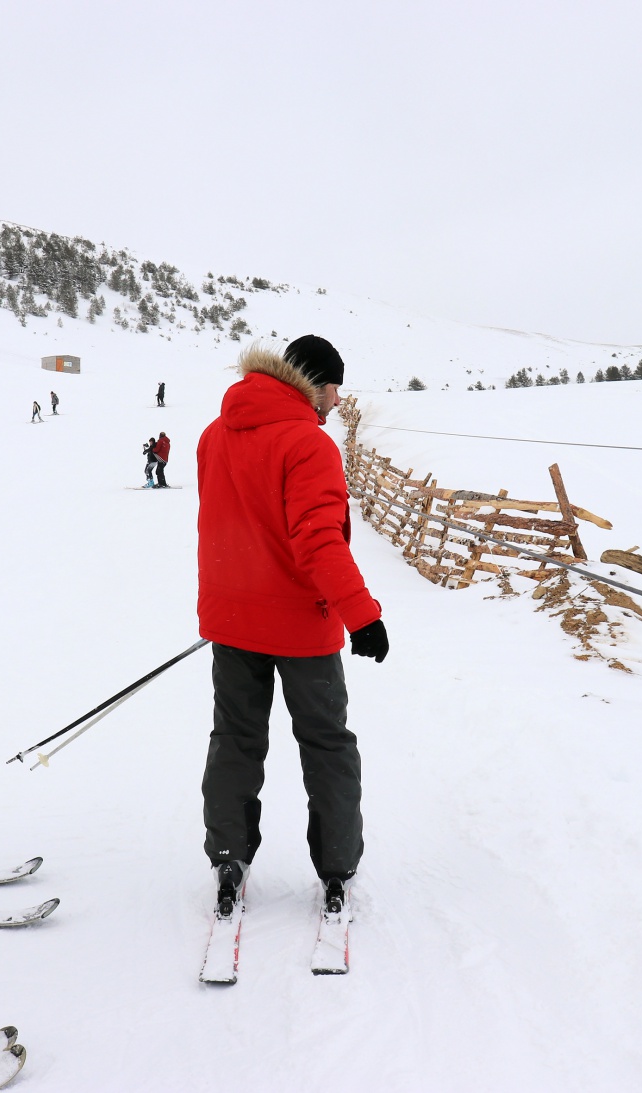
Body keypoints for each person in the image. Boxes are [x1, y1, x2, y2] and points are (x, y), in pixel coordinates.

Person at [195, 335, 389, 922]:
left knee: (235, 739)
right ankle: (337, 868)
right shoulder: (308, 443)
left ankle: (228, 856)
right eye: (335, 386)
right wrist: (363, 615)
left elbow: (223, 522)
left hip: (233, 620)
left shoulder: (214, 433)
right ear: (315, 383)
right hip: (302, 628)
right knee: (327, 744)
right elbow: (318, 540)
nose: (338, 399)